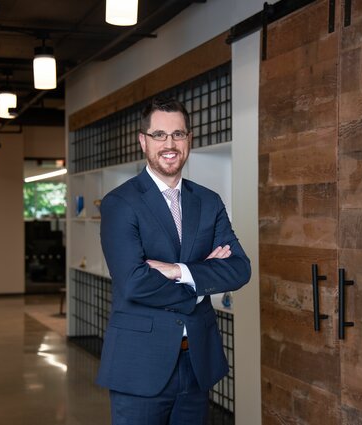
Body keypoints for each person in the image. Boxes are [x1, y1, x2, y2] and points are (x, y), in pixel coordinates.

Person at [97, 96, 251, 425]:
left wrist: (176, 270)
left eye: (178, 134)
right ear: (143, 141)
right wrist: (201, 281)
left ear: (189, 139)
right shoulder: (120, 203)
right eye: (159, 135)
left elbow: (239, 267)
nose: (170, 144)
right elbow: (134, 282)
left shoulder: (208, 201)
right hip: (140, 365)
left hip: (196, 361)